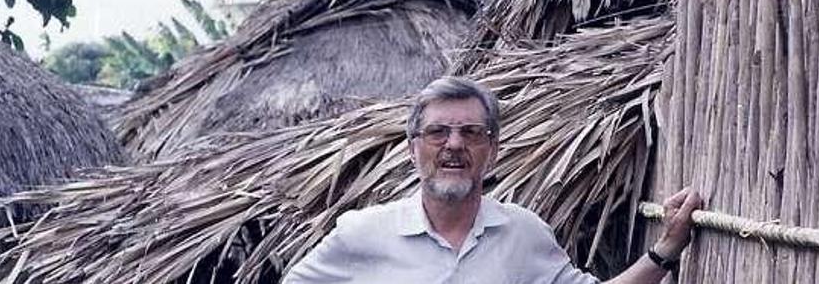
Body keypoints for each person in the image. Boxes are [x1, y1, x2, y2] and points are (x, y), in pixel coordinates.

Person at [283, 76, 702, 284]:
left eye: (471, 133)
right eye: (437, 133)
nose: (453, 145)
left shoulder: (522, 233)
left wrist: (665, 249)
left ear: (492, 149)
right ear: (413, 149)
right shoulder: (364, 233)